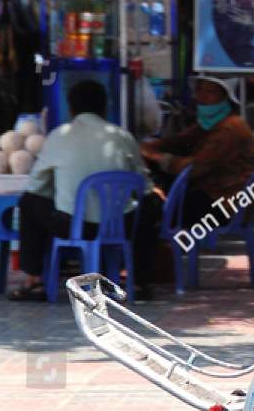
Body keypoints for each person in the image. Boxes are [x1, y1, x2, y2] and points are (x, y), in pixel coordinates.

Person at [9, 80, 162, 301]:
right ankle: (137, 281)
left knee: (28, 202)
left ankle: (34, 280)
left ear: (70, 111)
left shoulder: (58, 136)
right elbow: (143, 185)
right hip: (118, 224)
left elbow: (36, 187)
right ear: (105, 109)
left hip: (71, 225)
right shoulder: (122, 136)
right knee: (152, 206)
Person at [141, 75, 254, 233]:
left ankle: (160, 250)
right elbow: (181, 141)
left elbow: (197, 168)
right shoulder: (210, 125)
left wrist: (158, 157)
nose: (202, 96)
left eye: (210, 92)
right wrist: (146, 147)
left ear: (225, 97)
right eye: (200, 90)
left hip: (226, 205)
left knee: (153, 211)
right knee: (162, 189)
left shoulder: (228, 129)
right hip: (214, 193)